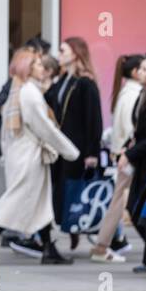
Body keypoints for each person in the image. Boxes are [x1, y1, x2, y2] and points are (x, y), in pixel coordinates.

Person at [0, 48, 80, 265]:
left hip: (21, 155)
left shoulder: (18, 90)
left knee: (40, 205)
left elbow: (6, 131)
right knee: (13, 204)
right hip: (28, 157)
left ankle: (49, 249)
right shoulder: (29, 93)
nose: (44, 69)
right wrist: (70, 151)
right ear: (28, 68)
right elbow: (45, 129)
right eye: (39, 65)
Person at [47, 37, 103, 251]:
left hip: (78, 148)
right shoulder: (63, 80)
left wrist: (92, 152)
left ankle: (108, 235)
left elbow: (94, 120)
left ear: (76, 54)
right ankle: (70, 228)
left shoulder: (85, 83)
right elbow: (49, 100)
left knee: (75, 189)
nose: (59, 54)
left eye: (63, 50)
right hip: (62, 147)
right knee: (62, 189)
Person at [91, 54, 146, 262]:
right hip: (130, 155)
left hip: (122, 153)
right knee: (121, 201)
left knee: (121, 199)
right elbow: (134, 127)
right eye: (142, 69)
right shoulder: (137, 94)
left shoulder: (125, 91)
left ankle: (108, 242)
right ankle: (102, 245)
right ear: (134, 72)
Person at [119, 63, 146, 273]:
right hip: (142, 158)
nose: (140, 72)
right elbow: (138, 130)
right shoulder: (144, 94)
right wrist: (126, 149)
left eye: (145, 69)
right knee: (137, 208)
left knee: (145, 209)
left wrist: (129, 153)